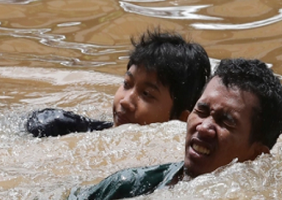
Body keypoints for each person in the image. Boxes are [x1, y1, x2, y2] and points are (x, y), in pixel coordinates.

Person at [68, 58, 282, 200]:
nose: (204, 127)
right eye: (201, 110)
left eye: (226, 121)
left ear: (257, 154)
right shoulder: (129, 186)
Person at [26, 28, 211, 137]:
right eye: (127, 84)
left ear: (181, 119)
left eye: (146, 94)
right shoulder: (68, 128)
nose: (125, 101)